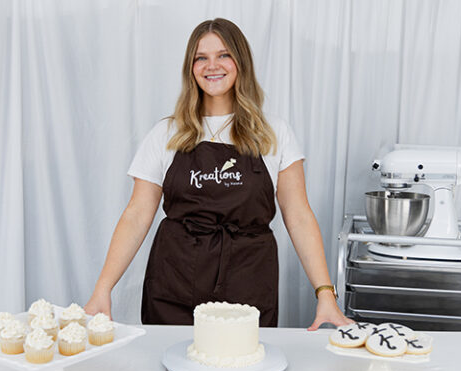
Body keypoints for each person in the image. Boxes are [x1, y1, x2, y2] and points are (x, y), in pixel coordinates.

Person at [84, 18, 353, 330]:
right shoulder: (167, 133)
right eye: (201, 58)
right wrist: (103, 288)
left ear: (241, 62)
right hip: (175, 281)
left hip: (249, 281)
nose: (212, 66)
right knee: (171, 361)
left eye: (223, 55)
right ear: (191, 68)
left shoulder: (273, 133)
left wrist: (325, 293)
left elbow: (299, 216)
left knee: (245, 358)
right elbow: (136, 214)